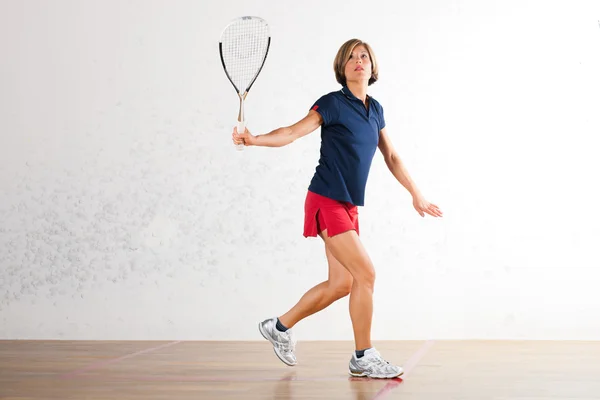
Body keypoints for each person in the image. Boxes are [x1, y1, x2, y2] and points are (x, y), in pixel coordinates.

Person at [232, 38, 443, 379]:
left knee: (342, 283)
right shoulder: (331, 104)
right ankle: (363, 356)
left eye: (364, 56)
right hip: (326, 198)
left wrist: (415, 193)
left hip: (347, 205)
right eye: (350, 58)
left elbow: (390, 156)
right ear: (341, 68)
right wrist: (255, 139)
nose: (358, 61)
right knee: (367, 274)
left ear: (372, 67)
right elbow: (292, 132)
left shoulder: (375, 109)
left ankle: (279, 327)